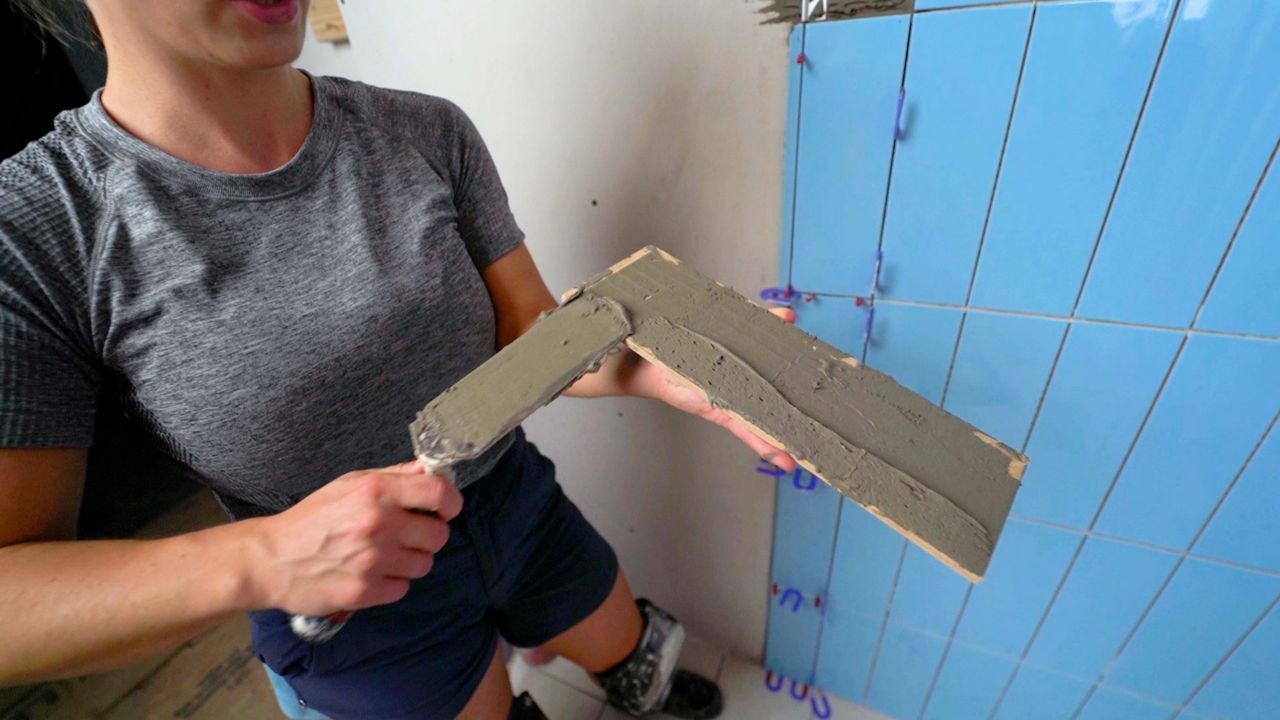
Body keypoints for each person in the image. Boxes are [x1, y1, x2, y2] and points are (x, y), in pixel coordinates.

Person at [0, 1, 798, 718]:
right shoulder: (36, 232)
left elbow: (533, 333)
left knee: (619, 631)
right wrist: (260, 559)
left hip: (514, 502)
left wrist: (645, 368)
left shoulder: (426, 132)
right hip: (341, 603)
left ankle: (639, 681)